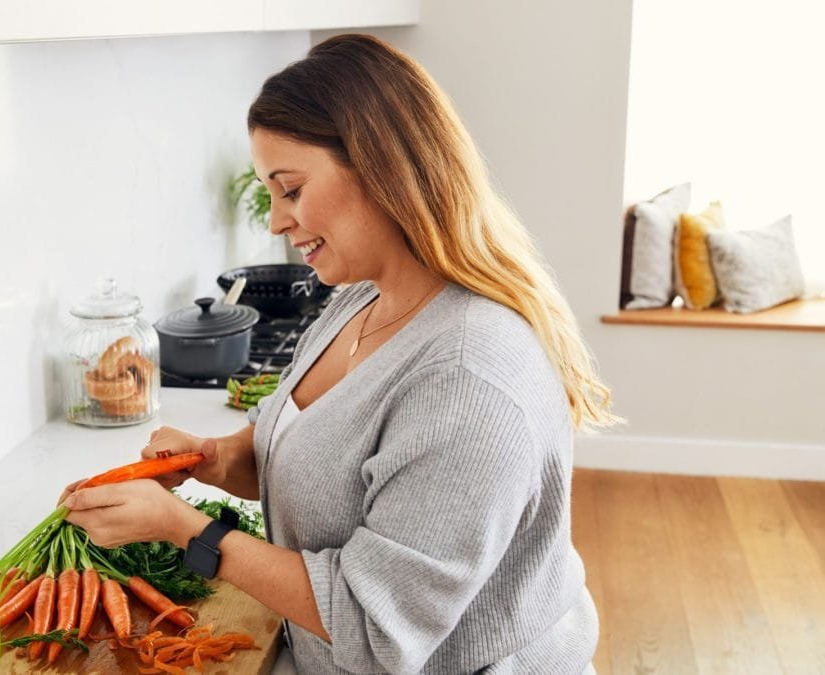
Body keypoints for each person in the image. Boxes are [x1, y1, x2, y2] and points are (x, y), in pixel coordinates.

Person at [62, 33, 620, 674]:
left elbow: (378, 629)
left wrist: (187, 531)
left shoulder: (465, 378)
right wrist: (214, 460)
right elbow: (316, 456)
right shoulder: (360, 299)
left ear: (382, 169)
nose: (274, 220)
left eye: (291, 189)